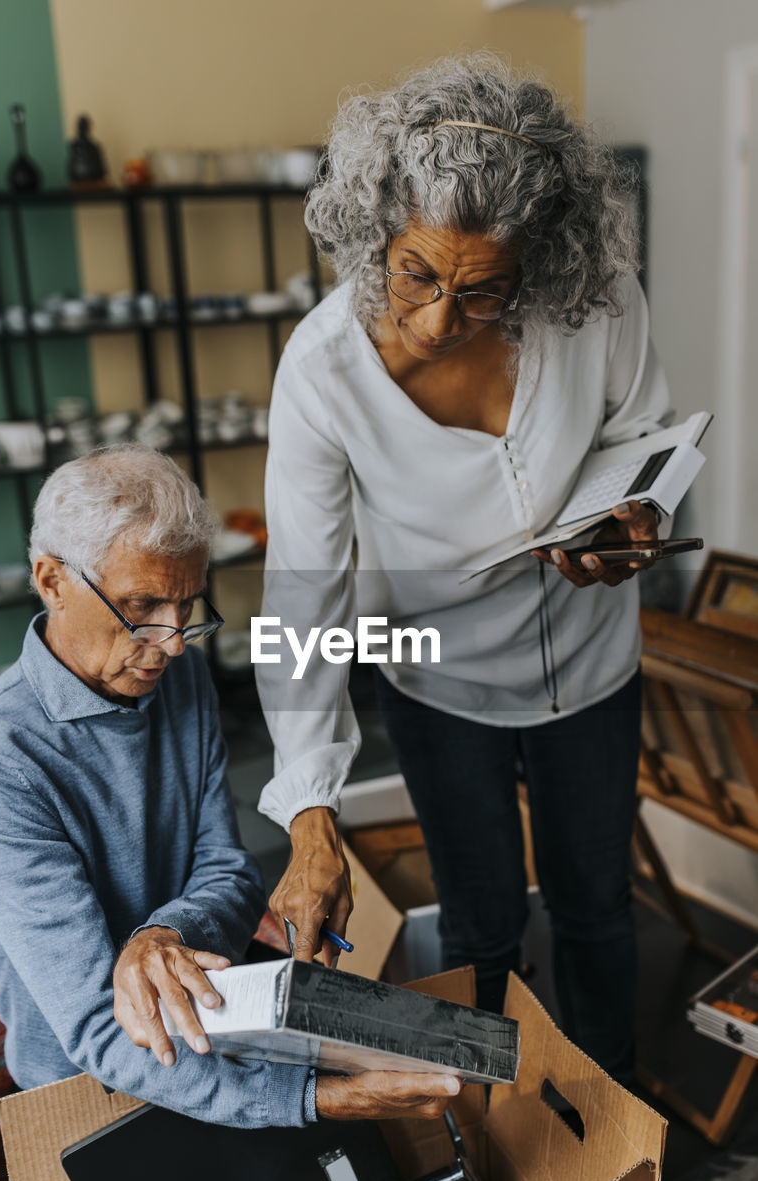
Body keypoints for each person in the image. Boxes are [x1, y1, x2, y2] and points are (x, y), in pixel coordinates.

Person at [257, 53, 675, 1088]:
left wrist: (634, 524)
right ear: (373, 234)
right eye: (418, 274)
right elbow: (304, 591)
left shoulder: (598, 301)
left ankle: (611, 1114)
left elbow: (646, 442)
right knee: (483, 921)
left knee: (594, 905)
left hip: (590, 662)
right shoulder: (321, 371)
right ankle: (500, 1114)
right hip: (434, 678)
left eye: (482, 289)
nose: (441, 318)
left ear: (539, 262)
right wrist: (310, 809)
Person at [0, 444, 459, 1128]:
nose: (174, 640)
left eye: (186, 606)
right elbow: (97, 1025)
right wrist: (313, 1099)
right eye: (140, 605)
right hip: (91, 1083)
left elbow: (229, 872)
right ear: (51, 580)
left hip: (222, 1021)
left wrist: (162, 933)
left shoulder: (178, 674)